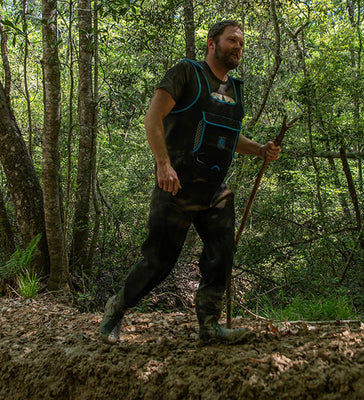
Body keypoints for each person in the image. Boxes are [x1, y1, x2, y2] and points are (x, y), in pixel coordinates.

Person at [100, 20, 281, 344]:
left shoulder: (233, 90)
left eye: (241, 42)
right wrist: (163, 164)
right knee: (158, 263)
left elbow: (230, 135)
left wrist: (260, 150)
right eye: (231, 40)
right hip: (176, 186)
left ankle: (209, 327)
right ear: (212, 43)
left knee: (221, 253)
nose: (237, 46)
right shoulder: (186, 73)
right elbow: (153, 117)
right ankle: (117, 307)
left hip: (214, 191)